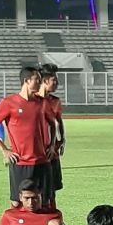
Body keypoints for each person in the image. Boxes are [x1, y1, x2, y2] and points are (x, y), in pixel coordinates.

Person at [0, 66, 52, 206]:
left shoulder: (42, 102)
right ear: (26, 81)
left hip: (42, 161)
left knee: (45, 201)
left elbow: (52, 124)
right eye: (37, 80)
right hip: (21, 162)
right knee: (17, 203)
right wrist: (4, 150)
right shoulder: (9, 103)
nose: (40, 83)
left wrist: (52, 146)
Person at [38, 63, 65, 207]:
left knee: (52, 189)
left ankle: (52, 216)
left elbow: (58, 121)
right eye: (54, 80)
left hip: (51, 152)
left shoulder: (55, 101)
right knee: (35, 189)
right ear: (44, 80)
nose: (57, 83)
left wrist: (62, 140)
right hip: (36, 152)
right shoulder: (33, 101)